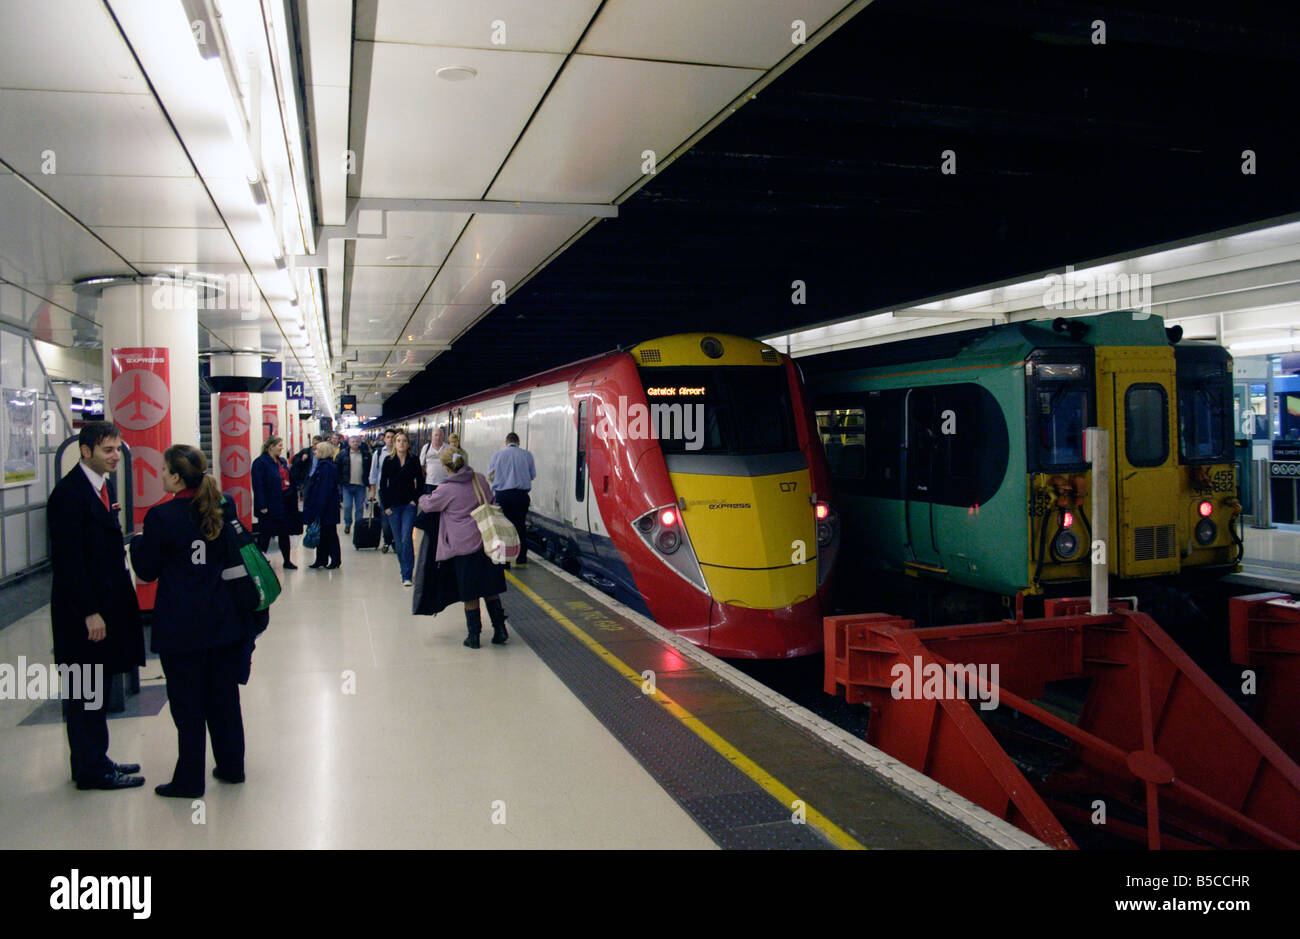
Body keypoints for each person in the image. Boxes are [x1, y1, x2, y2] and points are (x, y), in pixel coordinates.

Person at [130, 445, 254, 798]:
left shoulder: (161, 518)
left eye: (164, 469)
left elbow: (147, 571)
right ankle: (232, 767)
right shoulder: (219, 507)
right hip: (222, 621)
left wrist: (138, 544)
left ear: (176, 476)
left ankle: (189, 779)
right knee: (224, 700)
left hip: (180, 627)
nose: (160, 474)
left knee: (187, 705)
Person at [47, 421, 146, 790]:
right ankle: (90, 770)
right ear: (85, 451)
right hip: (83, 616)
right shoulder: (69, 496)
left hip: (104, 607)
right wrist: (89, 611)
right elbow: (69, 561)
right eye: (107, 450)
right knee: (84, 689)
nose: (115, 456)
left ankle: (96, 758)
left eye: (117, 449)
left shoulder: (102, 488)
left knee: (97, 687)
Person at [416, 446, 509, 647]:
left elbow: (428, 505)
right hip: (487, 542)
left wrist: (422, 497)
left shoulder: (446, 489)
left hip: (462, 547)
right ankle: (500, 630)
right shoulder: (479, 479)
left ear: (446, 467)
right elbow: (492, 501)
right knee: (490, 588)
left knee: (470, 593)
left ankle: (474, 636)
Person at [380, 431, 423, 586]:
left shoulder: (414, 460)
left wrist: (414, 500)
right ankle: (403, 568)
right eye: (398, 441)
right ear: (394, 443)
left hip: (408, 506)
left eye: (404, 441)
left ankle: (407, 574)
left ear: (408, 444)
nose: (401, 443)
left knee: (406, 539)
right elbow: (383, 484)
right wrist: (386, 506)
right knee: (398, 542)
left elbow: (421, 482)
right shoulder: (388, 461)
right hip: (393, 506)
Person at [488, 432, 536, 566]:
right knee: (520, 526)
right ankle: (521, 559)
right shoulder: (527, 455)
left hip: (503, 496)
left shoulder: (497, 455)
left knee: (504, 528)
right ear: (518, 442)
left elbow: (491, 476)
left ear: (506, 443)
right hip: (521, 496)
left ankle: (505, 560)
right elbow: (532, 475)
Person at [251, 435, 299, 569]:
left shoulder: (281, 461)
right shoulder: (260, 463)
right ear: (270, 447)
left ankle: (287, 560)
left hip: (283, 502)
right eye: (279, 445)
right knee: (265, 534)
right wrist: (262, 505)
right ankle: (260, 560)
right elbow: (258, 486)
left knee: (284, 533)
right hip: (268, 504)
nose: (282, 448)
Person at [303, 441, 342, 569]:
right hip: (326, 506)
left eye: (317, 450)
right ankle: (321, 559)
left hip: (326, 507)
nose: (314, 452)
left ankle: (334, 560)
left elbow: (325, 490)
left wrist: (319, 509)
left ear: (322, 452)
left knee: (329, 534)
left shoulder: (326, 468)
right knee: (323, 533)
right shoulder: (324, 465)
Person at [336, 436, 372, 535]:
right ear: (349, 443)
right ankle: (348, 523)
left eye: (357, 441)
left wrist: (369, 483)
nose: (355, 443)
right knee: (347, 507)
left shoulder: (365, 455)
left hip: (361, 485)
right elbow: (337, 468)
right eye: (353, 441)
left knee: (359, 508)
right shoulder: (343, 454)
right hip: (347, 485)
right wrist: (340, 481)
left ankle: (358, 526)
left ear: (360, 442)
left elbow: (369, 469)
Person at [368, 429, 396, 553]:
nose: (390, 439)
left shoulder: (401, 452)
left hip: (398, 490)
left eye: (392, 437)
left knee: (397, 516)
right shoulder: (378, 453)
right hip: (383, 490)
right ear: (384, 439)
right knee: (385, 516)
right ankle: (387, 541)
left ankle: (395, 541)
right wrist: (372, 491)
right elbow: (373, 473)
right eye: (388, 437)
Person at [419, 427, 449, 495]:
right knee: (431, 503)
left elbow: (453, 465)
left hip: (445, 482)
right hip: (430, 482)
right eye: (436, 435)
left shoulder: (448, 448)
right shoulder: (426, 448)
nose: (438, 437)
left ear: (443, 437)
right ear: (431, 437)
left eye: (440, 435)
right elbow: (421, 464)